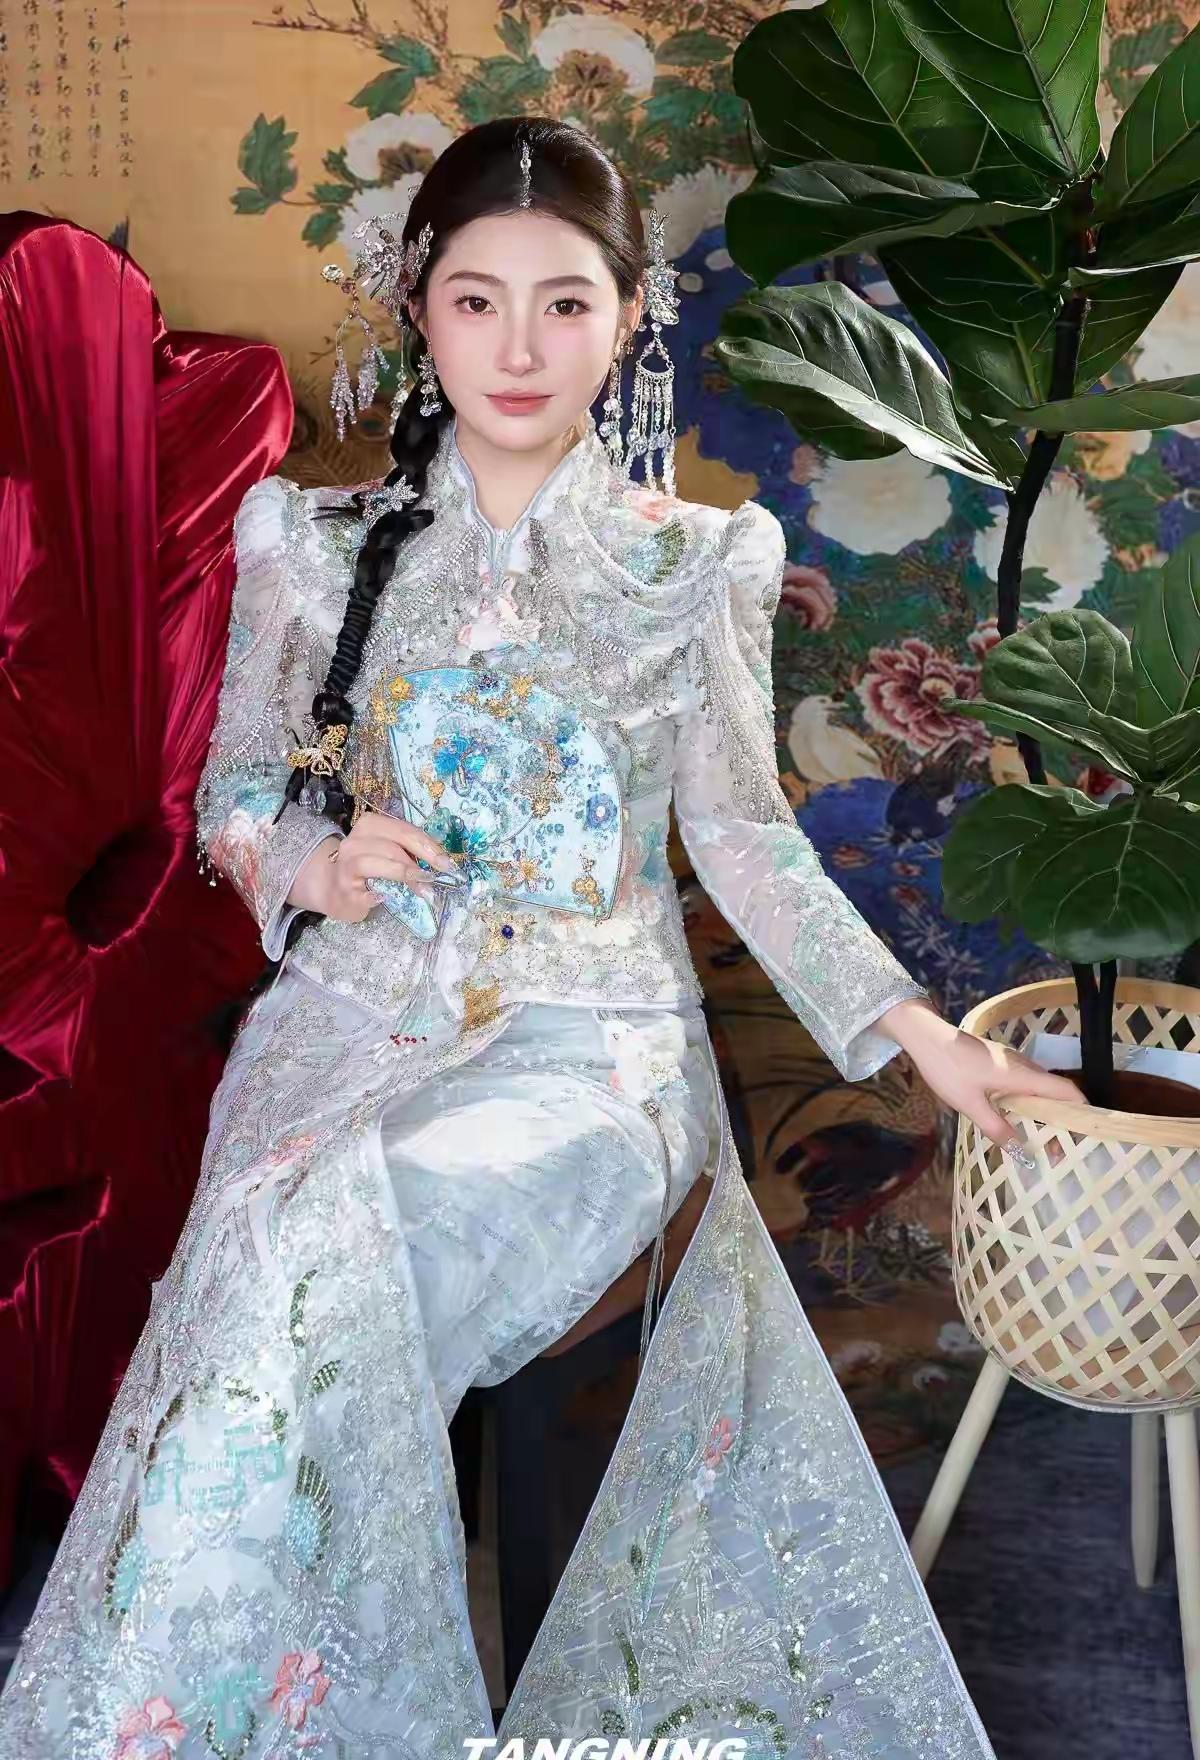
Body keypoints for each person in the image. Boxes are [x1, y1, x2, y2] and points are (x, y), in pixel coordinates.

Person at [0, 115, 1079, 1760]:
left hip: (594, 1055)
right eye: (477, 300)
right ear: (419, 311)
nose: (519, 348)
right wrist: (318, 863)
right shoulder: (313, 545)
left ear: (628, 316)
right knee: (289, 1225)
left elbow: (743, 838)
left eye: (565, 304)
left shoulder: (694, 564)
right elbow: (233, 798)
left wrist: (925, 1044)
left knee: (339, 1235)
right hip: (345, 1026)